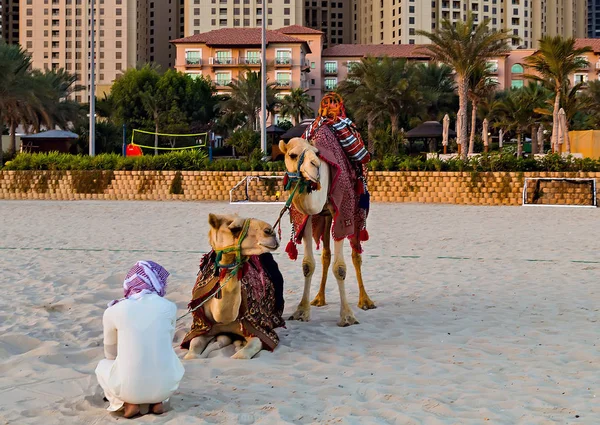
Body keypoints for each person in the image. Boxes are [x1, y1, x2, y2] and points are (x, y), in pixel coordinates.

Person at [95, 261, 185, 418]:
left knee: (103, 365)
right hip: (166, 387)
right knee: (165, 359)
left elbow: (110, 352)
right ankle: (157, 402)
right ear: (157, 282)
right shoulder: (170, 307)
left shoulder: (114, 310)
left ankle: (128, 403)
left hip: (128, 387)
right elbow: (167, 345)